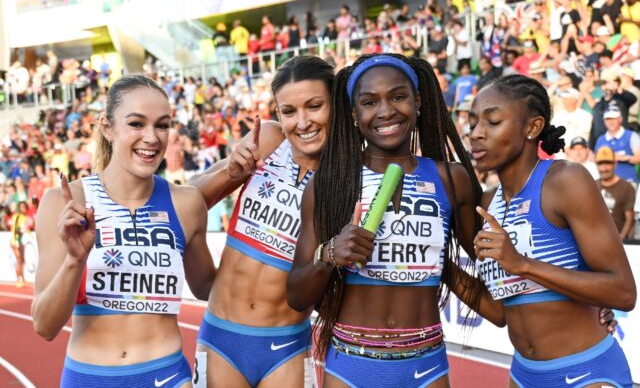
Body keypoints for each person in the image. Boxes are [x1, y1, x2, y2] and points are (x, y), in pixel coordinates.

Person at [287, 54, 489, 387]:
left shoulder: (451, 179)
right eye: (369, 102)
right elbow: (296, 296)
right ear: (354, 115)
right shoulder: (329, 183)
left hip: (426, 366)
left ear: (418, 101)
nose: (385, 111)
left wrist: (579, 306)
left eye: (398, 96)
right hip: (351, 366)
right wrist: (330, 255)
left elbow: (494, 272)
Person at [31, 75, 215, 387]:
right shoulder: (64, 203)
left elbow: (208, 289)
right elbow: (45, 326)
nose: (152, 137)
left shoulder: (186, 204)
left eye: (162, 125)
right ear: (107, 127)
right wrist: (75, 261)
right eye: (136, 124)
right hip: (89, 377)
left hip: (166, 376)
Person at [469, 74, 635, 387]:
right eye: (473, 122)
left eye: (492, 122)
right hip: (523, 374)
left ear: (532, 127)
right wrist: (438, 264)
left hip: (587, 371)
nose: (477, 134)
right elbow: (499, 313)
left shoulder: (566, 180)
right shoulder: (488, 202)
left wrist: (524, 265)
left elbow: (623, 292)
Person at [187, 56, 334, 387]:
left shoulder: (346, 178)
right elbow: (188, 200)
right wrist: (230, 173)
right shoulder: (268, 139)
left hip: (287, 346)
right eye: (289, 111)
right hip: (222, 338)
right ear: (278, 114)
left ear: (335, 105)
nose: (303, 122)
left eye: (314, 106)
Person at [595, 146, 636, 239]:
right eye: (600, 164)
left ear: (615, 164)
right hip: (594, 241)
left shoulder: (627, 188)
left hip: (617, 241)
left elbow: (630, 218)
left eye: (608, 163)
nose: (604, 168)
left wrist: (621, 240)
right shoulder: (592, 185)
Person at [594, 105, 640, 184]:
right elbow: (596, 160)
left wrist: (625, 158)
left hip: (628, 181)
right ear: (604, 121)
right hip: (606, 183)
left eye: (613, 119)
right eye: (608, 119)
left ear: (620, 119)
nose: (610, 122)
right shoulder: (601, 139)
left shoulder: (631, 136)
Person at [10, 201, 31, 288]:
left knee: (22, 260)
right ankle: (18, 279)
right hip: (16, 241)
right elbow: (14, 229)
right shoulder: (16, 216)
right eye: (21, 207)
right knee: (19, 260)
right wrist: (16, 241)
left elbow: (25, 229)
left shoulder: (25, 217)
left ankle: (22, 278)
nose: (23, 209)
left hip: (21, 241)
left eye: (24, 207)